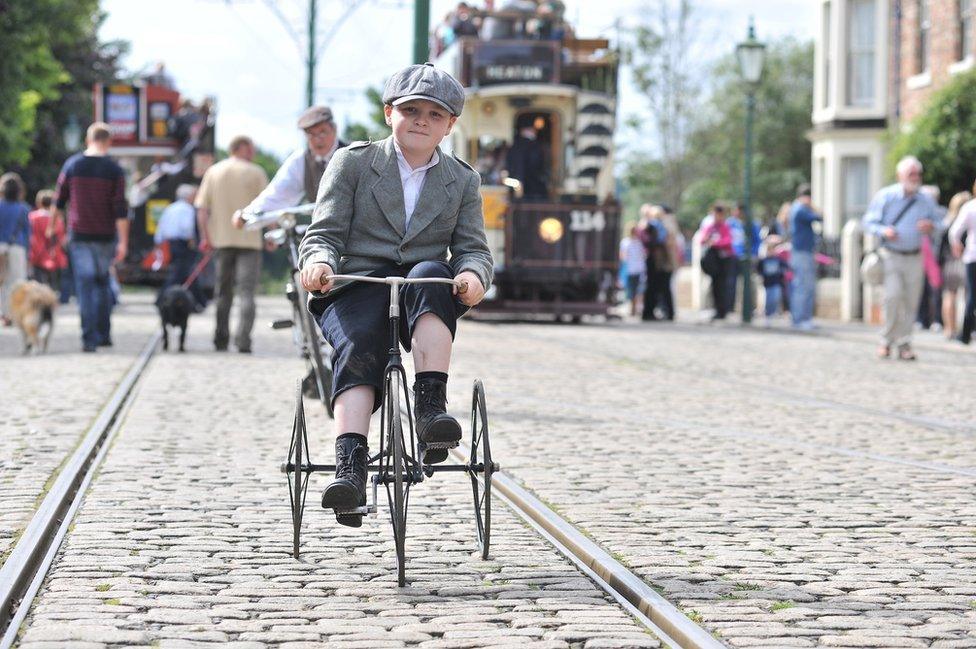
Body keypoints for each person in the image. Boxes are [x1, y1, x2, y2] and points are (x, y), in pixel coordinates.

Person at [298, 62, 492, 527]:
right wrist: (319, 262)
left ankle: (430, 410)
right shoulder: (353, 163)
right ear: (389, 113)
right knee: (360, 343)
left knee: (430, 272)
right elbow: (322, 233)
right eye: (411, 110)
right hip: (356, 284)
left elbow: (473, 249)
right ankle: (350, 465)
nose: (422, 120)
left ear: (450, 126)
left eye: (435, 114)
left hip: (420, 290)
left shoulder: (462, 181)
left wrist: (472, 275)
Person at [51, 123, 129, 352]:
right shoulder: (115, 170)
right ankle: (104, 334)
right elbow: (120, 210)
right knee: (103, 283)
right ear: (109, 142)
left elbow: (58, 199)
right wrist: (124, 241)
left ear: (88, 140)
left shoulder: (73, 164)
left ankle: (89, 339)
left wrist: (52, 228)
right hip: (105, 235)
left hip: (79, 234)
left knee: (84, 286)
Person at [195, 135, 269, 353]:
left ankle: (220, 339)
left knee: (222, 293)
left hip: (221, 241)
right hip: (250, 242)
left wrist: (205, 238)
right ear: (242, 148)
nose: (253, 152)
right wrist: (272, 235)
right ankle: (243, 340)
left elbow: (202, 210)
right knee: (247, 293)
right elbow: (268, 207)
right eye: (252, 148)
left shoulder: (213, 172)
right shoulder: (256, 173)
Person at [862, 156, 937, 360]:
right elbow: (868, 222)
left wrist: (931, 226)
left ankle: (904, 343)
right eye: (911, 174)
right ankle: (886, 340)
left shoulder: (925, 199)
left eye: (917, 174)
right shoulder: (886, 196)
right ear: (900, 176)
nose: (915, 178)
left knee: (911, 301)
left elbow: (939, 221)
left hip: (915, 255)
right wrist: (884, 231)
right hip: (891, 255)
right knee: (893, 297)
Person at [244, 106, 346, 217]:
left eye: (322, 132)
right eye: (311, 135)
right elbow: (279, 193)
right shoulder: (301, 160)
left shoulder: (355, 155)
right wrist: (248, 214)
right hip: (322, 230)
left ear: (334, 130)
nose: (317, 140)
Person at [155, 184, 205, 308]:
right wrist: (192, 241)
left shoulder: (170, 208)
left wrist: (159, 243)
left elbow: (160, 227)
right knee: (180, 273)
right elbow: (187, 227)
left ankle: (198, 301)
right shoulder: (187, 209)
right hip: (183, 244)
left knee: (185, 272)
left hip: (170, 243)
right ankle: (162, 298)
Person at [789, 184, 822, 331]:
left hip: (804, 252)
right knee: (803, 286)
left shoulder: (799, 208)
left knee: (806, 286)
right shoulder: (800, 209)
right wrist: (814, 207)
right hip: (801, 252)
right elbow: (819, 217)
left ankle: (804, 318)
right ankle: (800, 319)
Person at [0, 173, 31, 326]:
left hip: (0, 248)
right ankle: (16, 313)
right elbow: (27, 232)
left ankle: (4, 314)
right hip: (17, 247)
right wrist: (29, 254)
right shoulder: (23, 208)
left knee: (2, 282)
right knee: (17, 283)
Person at [940, 191, 971, 340]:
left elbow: (941, 246)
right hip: (963, 261)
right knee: (967, 297)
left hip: (949, 263)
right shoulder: (967, 221)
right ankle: (965, 328)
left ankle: (949, 328)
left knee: (949, 295)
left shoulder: (947, 222)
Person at [916, 185, 946, 330]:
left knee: (936, 289)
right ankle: (921, 319)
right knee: (920, 289)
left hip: (936, 256)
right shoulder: (916, 213)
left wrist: (932, 226)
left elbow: (945, 229)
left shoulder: (941, 212)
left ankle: (937, 320)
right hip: (919, 256)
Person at [950, 184, 976, 345]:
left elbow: (954, 232)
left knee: (972, 296)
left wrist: (956, 245)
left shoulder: (970, 207)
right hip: (972, 255)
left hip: (972, 256)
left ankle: (966, 333)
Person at [698, 203, 733, 321]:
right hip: (714, 262)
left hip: (724, 260)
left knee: (723, 286)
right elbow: (702, 240)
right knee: (715, 286)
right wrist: (709, 240)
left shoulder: (725, 227)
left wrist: (716, 243)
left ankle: (723, 310)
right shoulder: (710, 227)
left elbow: (728, 241)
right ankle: (717, 309)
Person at [28, 189, 68, 290]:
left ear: (39, 202)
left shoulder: (32, 217)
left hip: (35, 254)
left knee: (36, 285)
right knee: (52, 285)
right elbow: (61, 238)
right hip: (53, 256)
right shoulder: (57, 219)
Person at [757, 234, 789, 327]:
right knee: (768, 299)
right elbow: (759, 269)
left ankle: (774, 313)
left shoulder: (778, 260)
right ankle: (768, 314)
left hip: (776, 283)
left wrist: (782, 272)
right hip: (767, 283)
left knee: (776, 298)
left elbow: (785, 266)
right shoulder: (764, 260)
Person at [619, 224, 645, 317]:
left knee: (637, 290)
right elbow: (623, 256)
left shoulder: (638, 243)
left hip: (637, 269)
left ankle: (636, 308)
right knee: (630, 290)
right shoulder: (626, 242)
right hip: (630, 269)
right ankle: (632, 308)